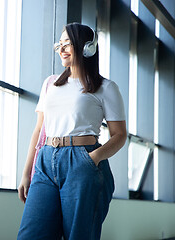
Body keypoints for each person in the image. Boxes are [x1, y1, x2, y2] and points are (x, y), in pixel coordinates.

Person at [17, 22, 127, 240]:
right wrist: (26, 173)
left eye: (68, 43)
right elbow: (39, 130)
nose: (62, 49)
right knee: (30, 235)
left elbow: (120, 134)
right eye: (60, 44)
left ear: (87, 48)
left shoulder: (106, 87)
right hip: (46, 161)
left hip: (82, 161)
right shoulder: (50, 84)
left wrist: (92, 159)